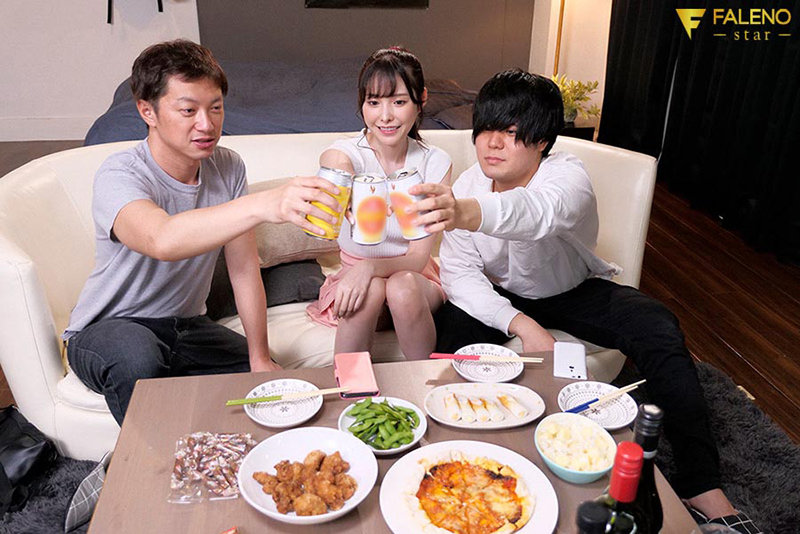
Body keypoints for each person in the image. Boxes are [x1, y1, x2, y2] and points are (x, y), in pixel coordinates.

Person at [409, 69, 762, 532]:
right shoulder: (469, 184)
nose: (493, 143)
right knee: (454, 343)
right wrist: (520, 323)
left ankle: (703, 486)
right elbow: (460, 272)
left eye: (511, 132)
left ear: (542, 141)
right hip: (501, 294)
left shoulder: (567, 175)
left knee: (657, 325)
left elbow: (535, 213)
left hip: (572, 290)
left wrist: (465, 212)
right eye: (486, 129)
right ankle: (462, 463)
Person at [63, 40, 341, 425]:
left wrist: (259, 357)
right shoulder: (120, 173)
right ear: (147, 111)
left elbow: (244, 269)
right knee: (138, 359)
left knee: (271, 388)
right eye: (188, 110)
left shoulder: (227, 167)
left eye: (215, 108)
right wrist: (263, 204)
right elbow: (161, 239)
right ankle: (151, 460)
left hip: (187, 328)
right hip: (111, 327)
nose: (206, 125)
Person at [306, 47, 452, 360]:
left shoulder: (435, 162)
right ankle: (352, 385)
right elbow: (335, 163)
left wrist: (370, 267)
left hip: (414, 280)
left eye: (398, 102)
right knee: (370, 289)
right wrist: (340, 188)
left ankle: (424, 382)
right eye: (373, 102)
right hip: (356, 285)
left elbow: (418, 258)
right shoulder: (347, 152)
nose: (385, 116)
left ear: (421, 99)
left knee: (400, 286)